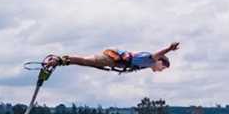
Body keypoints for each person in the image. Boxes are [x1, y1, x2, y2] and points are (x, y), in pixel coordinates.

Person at [44, 42, 180, 72]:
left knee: (85, 62)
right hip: (113, 58)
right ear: (160, 62)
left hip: (114, 62)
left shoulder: (146, 65)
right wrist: (169, 49)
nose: (161, 70)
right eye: (163, 68)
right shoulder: (150, 59)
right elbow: (158, 54)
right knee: (86, 61)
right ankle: (58, 59)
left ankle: (61, 60)